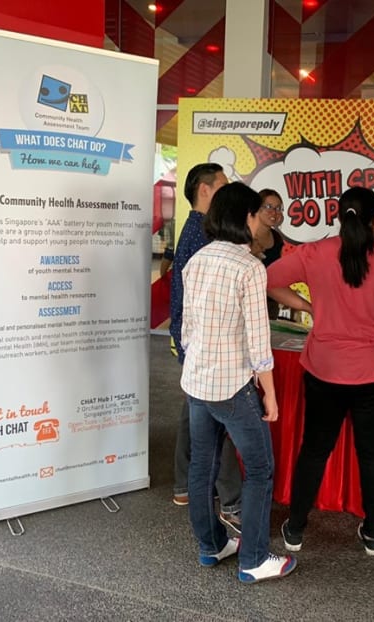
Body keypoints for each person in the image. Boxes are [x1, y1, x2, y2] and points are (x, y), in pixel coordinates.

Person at [267, 186, 374, 556]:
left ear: (337, 215)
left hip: (324, 371)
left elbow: (266, 279)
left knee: (314, 450)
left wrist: (307, 305)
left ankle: (296, 529)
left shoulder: (314, 253)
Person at [181, 181, 297, 583]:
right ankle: (254, 559)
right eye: (257, 213)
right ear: (245, 217)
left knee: (202, 467)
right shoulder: (249, 266)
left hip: (197, 383)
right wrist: (271, 396)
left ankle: (211, 545)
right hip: (233, 387)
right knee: (261, 469)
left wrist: (197, 363)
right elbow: (259, 340)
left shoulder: (197, 260)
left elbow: (188, 327)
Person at [169, 163, 243, 534]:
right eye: (222, 188)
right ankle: (231, 500)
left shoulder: (194, 228)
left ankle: (184, 485)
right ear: (204, 190)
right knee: (221, 415)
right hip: (206, 343)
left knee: (194, 408)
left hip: (192, 339)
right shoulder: (204, 233)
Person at [255, 189, 286, 319]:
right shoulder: (244, 236)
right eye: (268, 207)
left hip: (271, 303)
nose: (274, 212)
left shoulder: (277, 237)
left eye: (278, 208)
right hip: (248, 302)